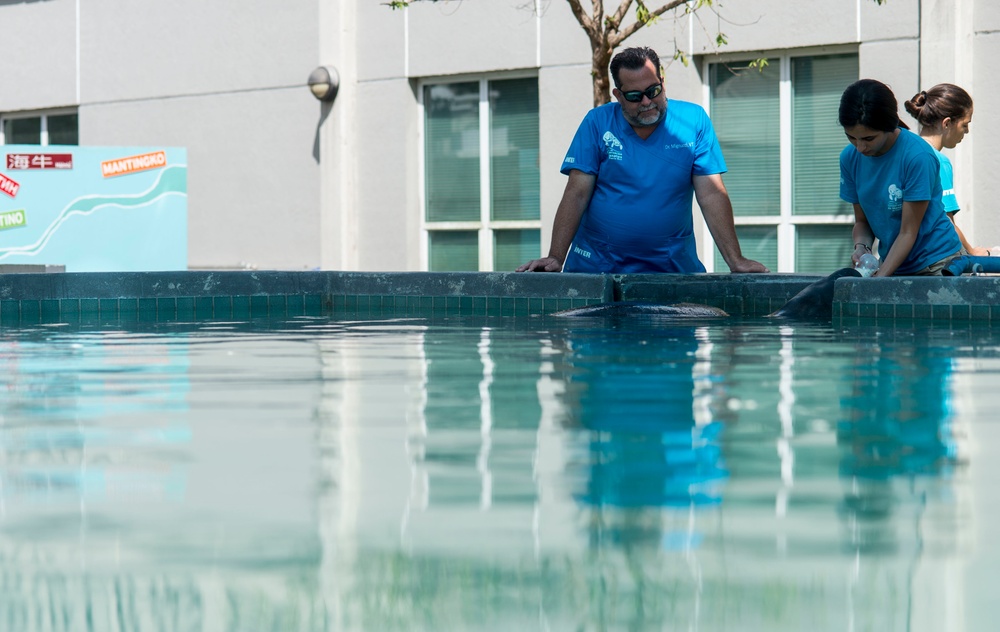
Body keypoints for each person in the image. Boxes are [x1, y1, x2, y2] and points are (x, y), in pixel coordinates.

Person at [516, 46, 767, 274]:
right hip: (598, 266)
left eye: (653, 91)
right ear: (617, 94)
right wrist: (556, 257)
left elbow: (711, 195)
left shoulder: (694, 121)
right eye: (635, 96)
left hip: (670, 267)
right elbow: (576, 194)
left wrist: (735, 259)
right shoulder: (596, 123)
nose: (647, 102)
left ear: (663, 82)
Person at [839, 79, 961, 277]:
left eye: (869, 138)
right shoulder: (849, 157)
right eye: (851, 137)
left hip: (937, 264)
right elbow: (862, 222)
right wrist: (861, 247)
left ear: (889, 126)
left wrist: (878, 281)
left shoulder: (918, 156)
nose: (860, 148)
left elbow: (908, 232)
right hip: (893, 262)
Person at [903, 84, 990, 256]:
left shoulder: (907, 154)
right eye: (965, 125)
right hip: (931, 260)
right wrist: (973, 252)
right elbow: (947, 223)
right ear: (947, 123)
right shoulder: (937, 161)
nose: (967, 131)